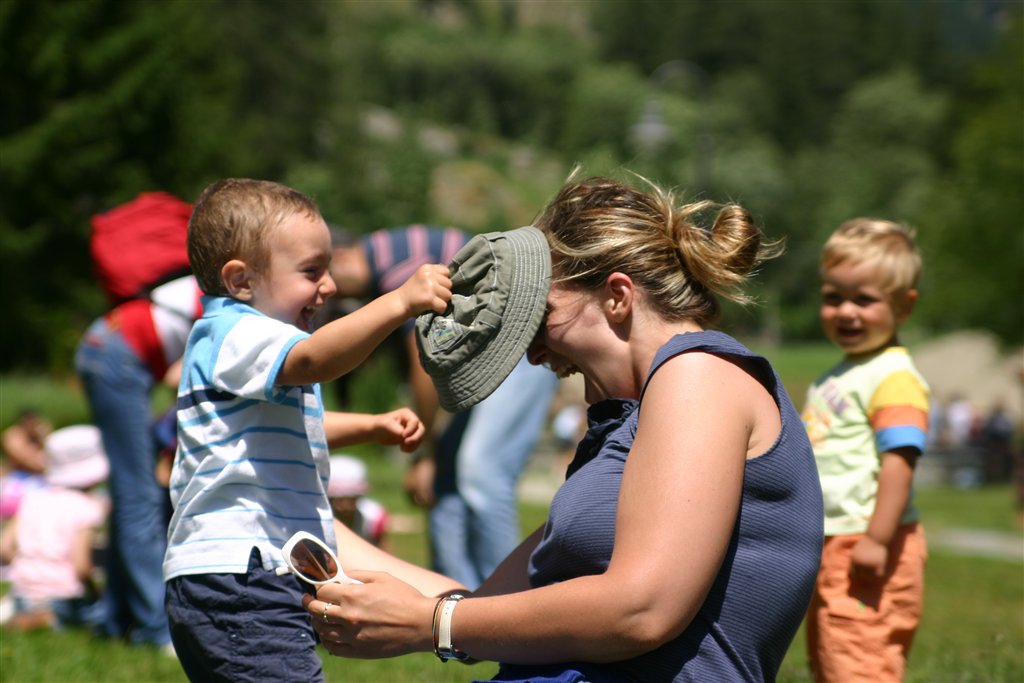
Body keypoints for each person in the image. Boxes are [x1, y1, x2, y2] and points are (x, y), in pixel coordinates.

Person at [302, 174, 824, 682]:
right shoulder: (627, 426)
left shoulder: (698, 375)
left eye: (542, 317)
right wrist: (287, 508)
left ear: (618, 296)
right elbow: (487, 605)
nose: (534, 354)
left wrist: (434, 625)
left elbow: (642, 609)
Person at [162, 178, 451, 683]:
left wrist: (370, 425)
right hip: (241, 574)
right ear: (240, 281)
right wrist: (398, 303)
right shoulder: (236, 331)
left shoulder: (249, 348)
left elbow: (302, 425)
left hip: (241, 575)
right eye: (311, 271)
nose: (331, 286)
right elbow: (317, 359)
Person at [329, 224, 558, 589]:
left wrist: (423, 451)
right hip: (485, 349)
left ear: (340, 258)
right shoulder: (387, 250)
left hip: (520, 345)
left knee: (482, 473)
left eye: (323, 276)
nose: (327, 291)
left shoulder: (394, 265)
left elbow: (423, 368)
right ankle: (455, 596)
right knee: (449, 477)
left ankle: (511, 598)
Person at [801, 218, 930, 683]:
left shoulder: (893, 376)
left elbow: (900, 461)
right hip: (834, 539)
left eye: (865, 300)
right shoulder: (841, 373)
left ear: (903, 306)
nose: (846, 312)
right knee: (831, 651)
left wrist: (877, 537)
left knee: (859, 654)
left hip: (868, 539)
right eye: (833, 298)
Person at [75, 195, 202, 650]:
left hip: (108, 347)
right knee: (138, 497)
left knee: (134, 494)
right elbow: (178, 374)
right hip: (118, 360)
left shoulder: (209, 283)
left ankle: (113, 617)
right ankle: (154, 629)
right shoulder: (217, 295)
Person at [0, 424, 109, 632]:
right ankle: (47, 618)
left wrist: (31, 571)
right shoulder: (86, 508)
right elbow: (81, 567)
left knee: (28, 602)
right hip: (61, 595)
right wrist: (95, 592)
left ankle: (22, 610)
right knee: (102, 614)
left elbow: (5, 547)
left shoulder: (32, 498)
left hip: (23, 589)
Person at [327, 454, 389, 549]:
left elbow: (385, 554)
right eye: (338, 498)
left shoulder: (372, 518)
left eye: (351, 498)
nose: (345, 505)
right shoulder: (319, 520)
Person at [0, 409, 50, 521]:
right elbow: (30, 463)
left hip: (39, 478)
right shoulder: (12, 437)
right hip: (17, 479)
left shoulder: (39, 436)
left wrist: (44, 438)